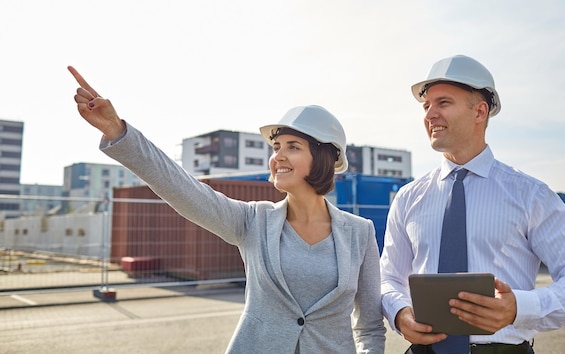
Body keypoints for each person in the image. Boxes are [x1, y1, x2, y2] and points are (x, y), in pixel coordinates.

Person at [67, 66, 386, 353]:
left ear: (324, 158)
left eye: (293, 147)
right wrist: (119, 133)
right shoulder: (253, 221)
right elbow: (184, 189)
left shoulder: (360, 233)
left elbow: (370, 328)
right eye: (276, 148)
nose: (278, 157)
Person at [380, 55, 565, 354]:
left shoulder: (530, 195)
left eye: (444, 103)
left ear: (479, 112)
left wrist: (520, 307)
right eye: (426, 106)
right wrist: (399, 313)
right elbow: (388, 278)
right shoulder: (409, 197)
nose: (430, 115)